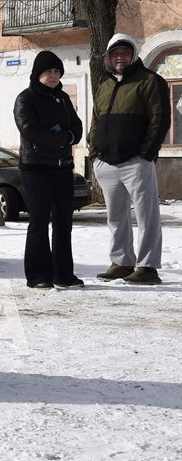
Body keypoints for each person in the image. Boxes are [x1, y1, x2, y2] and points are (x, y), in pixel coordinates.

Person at [87, 34, 170, 285]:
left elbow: (159, 119)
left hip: (136, 161)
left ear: (133, 55)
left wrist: (146, 154)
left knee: (147, 216)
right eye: (115, 54)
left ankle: (147, 267)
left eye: (125, 53)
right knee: (115, 216)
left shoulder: (149, 81)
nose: (120, 58)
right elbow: (96, 122)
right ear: (108, 58)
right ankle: (122, 262)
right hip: (106, 163)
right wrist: (94, 154)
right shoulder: (105, 85)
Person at [14, 51, 83, 290]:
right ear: (38, 74)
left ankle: (63, 275)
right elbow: (30, 130)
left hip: (63, 168)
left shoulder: (62, 98)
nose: (53, 76)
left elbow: (76, 126)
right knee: (39, 221)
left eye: (57, 71)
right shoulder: (26, 99)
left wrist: (69, 136)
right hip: (36, 168)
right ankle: (38, 275)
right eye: (48, 71)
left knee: (64, 222)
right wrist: (63, 138)